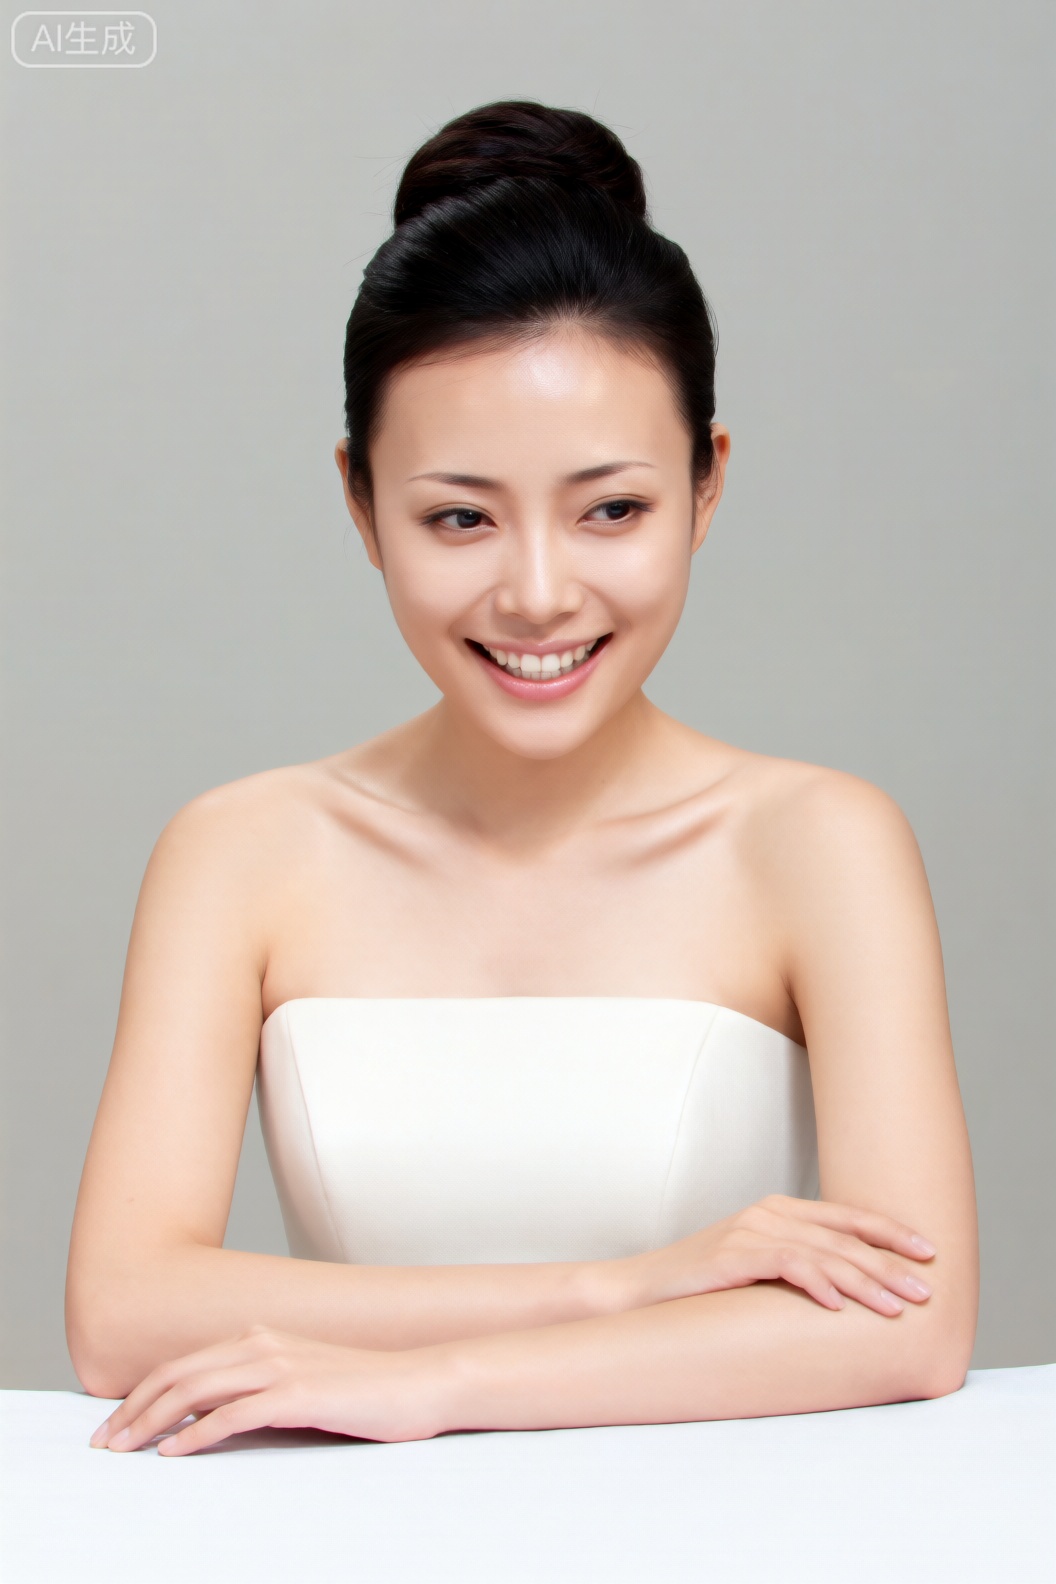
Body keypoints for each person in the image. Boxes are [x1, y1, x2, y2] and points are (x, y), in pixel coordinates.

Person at [67, 101, 978, 1456]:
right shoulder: (242, 851)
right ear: (360, 503)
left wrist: (432, 1389)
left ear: (706, 486)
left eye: (612, 508)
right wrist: (616, 1288)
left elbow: (912, 1320)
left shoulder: (816, 844)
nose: (539, 594)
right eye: (458, 516)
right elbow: (122, 1312)